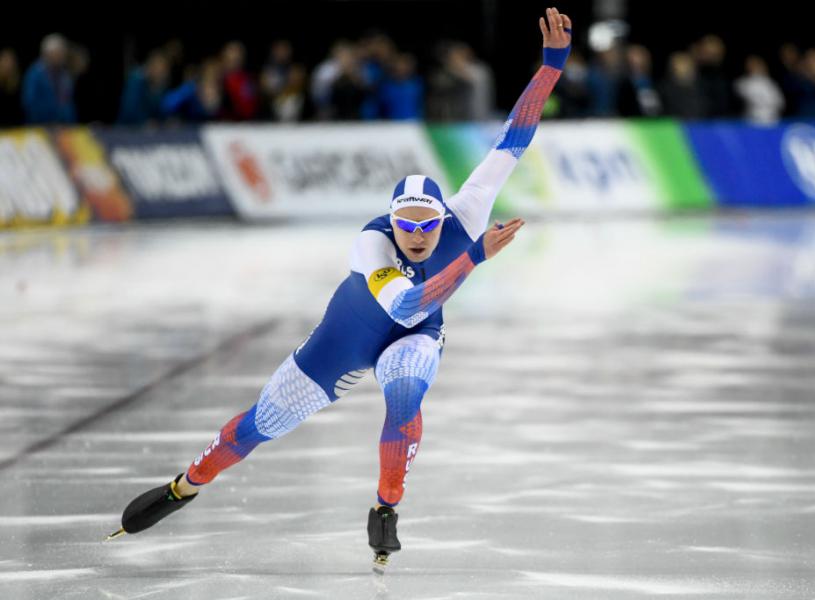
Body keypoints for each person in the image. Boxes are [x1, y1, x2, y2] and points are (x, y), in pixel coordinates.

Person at [108, 7, 572, 571]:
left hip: (417, 335)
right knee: (259, 426)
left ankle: (386, 508)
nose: (421, 236)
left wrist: (549, 68)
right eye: (410, 225)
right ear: (392, 219)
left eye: (430, 224)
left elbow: (512, 138)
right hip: (346, 338)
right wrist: (474, 256)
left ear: (442, 215)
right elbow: (406, 301)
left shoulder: (468, 211)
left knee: (405, 395)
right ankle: (186, 485)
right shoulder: (371, 244)